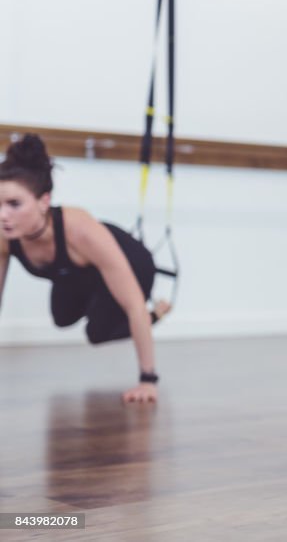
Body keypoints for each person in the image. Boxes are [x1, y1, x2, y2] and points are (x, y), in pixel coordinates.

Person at [0, 135, 171, 403]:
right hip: (81, 271)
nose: (3, 215)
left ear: (44, 201)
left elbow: (134, 303)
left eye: (14, 204)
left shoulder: (79, 228)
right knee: (62, 317)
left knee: (97, 333)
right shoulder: (5, 237)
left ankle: (153, 317)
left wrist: (148, 381)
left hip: (132, 263)